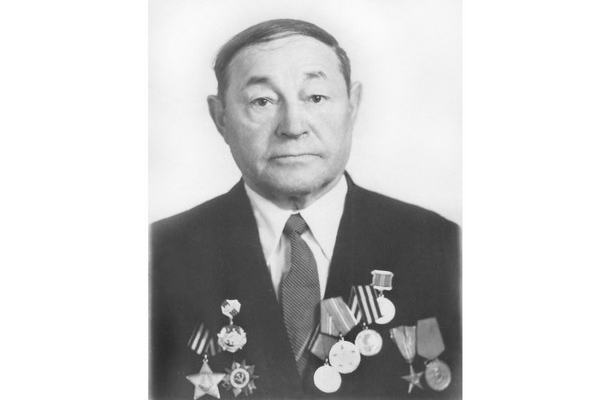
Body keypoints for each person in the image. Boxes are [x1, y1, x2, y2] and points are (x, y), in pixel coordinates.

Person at [151, 19, 461, 400]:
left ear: (353, 105)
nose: (293, 126)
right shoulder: (158, 256)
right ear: (221, 118)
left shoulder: (443, 249)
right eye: (262, 101)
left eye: (315, 98)